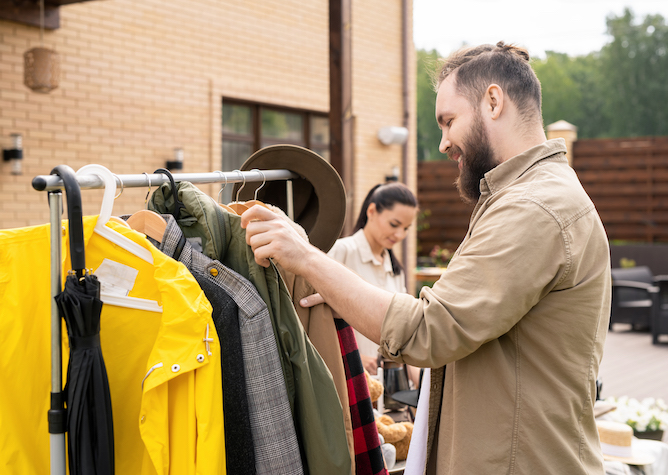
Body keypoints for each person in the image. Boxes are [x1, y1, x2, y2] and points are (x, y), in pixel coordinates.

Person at [241, 41, 611, 474]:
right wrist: (339, 293)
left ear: (493, 101)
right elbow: (462, 330)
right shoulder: (526, 196)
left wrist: (306, 258)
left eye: (449, 121)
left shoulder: (533, 207)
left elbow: (429, 330)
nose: (443, 143)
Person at [327, 182, 417, 376]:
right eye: (394, 224)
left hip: (388, 389)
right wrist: (353, 358)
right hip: (347, 379)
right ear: (371, 211)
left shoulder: (395, 269)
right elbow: (317, 319)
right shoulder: (341, 252)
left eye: (406, 228)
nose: (399, 235)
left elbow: (404, 331)